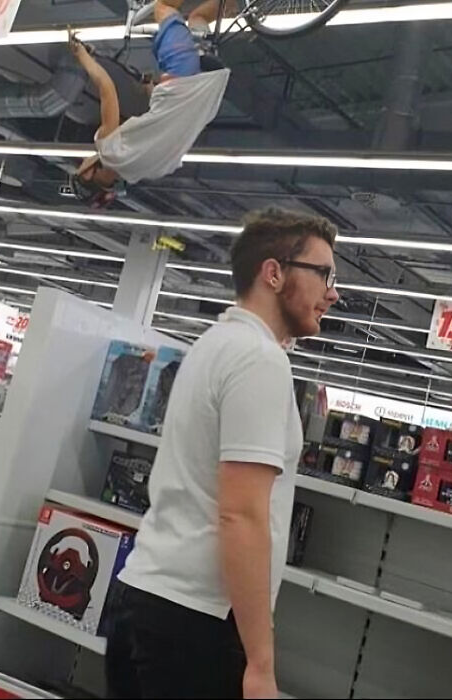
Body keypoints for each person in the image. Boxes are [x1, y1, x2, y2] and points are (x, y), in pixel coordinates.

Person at [107, 206, 341, 700]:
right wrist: (260, 663)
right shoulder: (259, 359)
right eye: (324, 274)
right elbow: (242, 514)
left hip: (145, 595)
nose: (332, 293)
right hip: (197, 621)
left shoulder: (213, 344)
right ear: (274, 273)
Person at [69, 0, 234, 203]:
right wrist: (82, 56)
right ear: (87, 174)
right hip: (182, 76)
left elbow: (168, 126)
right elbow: (106, 88)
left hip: (209, 88)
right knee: (164, 8)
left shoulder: (152, 170)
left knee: (198, 19)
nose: (84, 160)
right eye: (80, 165)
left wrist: (151, 91)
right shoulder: (109, 152)